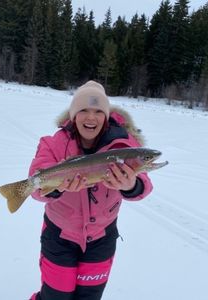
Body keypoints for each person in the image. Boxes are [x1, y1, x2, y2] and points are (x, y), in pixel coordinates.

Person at [28, 81, 153, 300]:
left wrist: (131, 185)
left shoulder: (124, 146)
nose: (90, 117)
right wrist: (56, 188)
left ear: (106, 116)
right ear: (74, 115)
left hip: (101, 239)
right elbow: (36, 183)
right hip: (59, 236)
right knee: (55, 296)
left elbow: (144, 183)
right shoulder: (52, 143)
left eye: (98, 111)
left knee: (89, 297)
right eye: (84, 110)